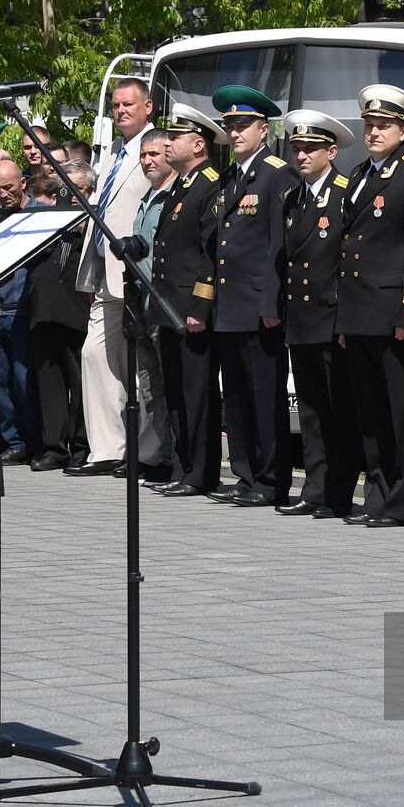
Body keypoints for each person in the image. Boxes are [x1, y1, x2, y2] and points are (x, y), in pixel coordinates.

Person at [335, 84, 404, 527]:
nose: (373, 132)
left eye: (384, 126)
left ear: (403, 130)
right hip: (358, 311)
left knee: (401, 412)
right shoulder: (357, 176)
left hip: (393, 311)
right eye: (369, 125)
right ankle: (377, 496)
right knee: (370, 412)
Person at [207, 85, 298, 507]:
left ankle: (270, 479)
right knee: (238, 397)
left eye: (243, 125)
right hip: (229, 305)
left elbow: (279, 244)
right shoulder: (231, 176)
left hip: (259, 305)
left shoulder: (277, 172)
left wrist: (271, 304)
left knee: (265, 396)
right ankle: (244, 475)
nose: (235, 132)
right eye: (230, 125)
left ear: (264, 130)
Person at [277, 109, 362, 518]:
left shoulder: (345, 193)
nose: (302, 156)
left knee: (337, 411)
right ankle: (314, 488)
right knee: (310, 410)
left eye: (311, 148)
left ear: (332, 151)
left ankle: (338, 492)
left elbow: (349, 260)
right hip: (302, 317)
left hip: (330, 315)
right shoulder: (293, 197)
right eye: (297, 149)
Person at [70, 77, 154, 475]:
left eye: (128, 105)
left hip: (138, 271)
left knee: (142, 366)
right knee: (95, 354)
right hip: (106, 272)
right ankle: (106, 449)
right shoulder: (117, 152)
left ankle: (148, 452)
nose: (120, 111)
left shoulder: (156, 148)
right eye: (116, 105)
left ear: (148, 107)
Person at [149, 103, 225, 497]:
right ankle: (183, 466)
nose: (167, 142)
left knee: (197, 393)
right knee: (176, 391)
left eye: (175, 137)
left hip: (190, 308)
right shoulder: (180, 183)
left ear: (198, 144)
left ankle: (201, 471)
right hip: (168, 304)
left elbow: (207, 253)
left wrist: (200, 305)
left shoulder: (209, 183)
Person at [27, 161, 92, 471]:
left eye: (78, 189)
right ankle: (54, 447)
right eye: (66, 189)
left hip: (77, 310)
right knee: (49, 379)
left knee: (79, 381)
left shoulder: (93, 222)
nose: (71, 195)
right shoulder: (49, 218)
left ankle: (81, 446)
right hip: (43, 308)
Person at [0, 158, 40, 464]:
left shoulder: (41, 216)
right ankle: (12, 440)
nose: (3, 194)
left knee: (24, 378)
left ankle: (34, 440)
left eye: (9, 187)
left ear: (23, 183)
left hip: (24, 310)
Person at [130, 128, 176, 483]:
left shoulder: (174, 196)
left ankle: (175, 457)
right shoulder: (148, 196)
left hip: (166, 305)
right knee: (149, 386)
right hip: (141, 305)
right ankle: (162, 454)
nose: (147, 161)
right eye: (143, 156)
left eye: (154, 155)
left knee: (170, 385)